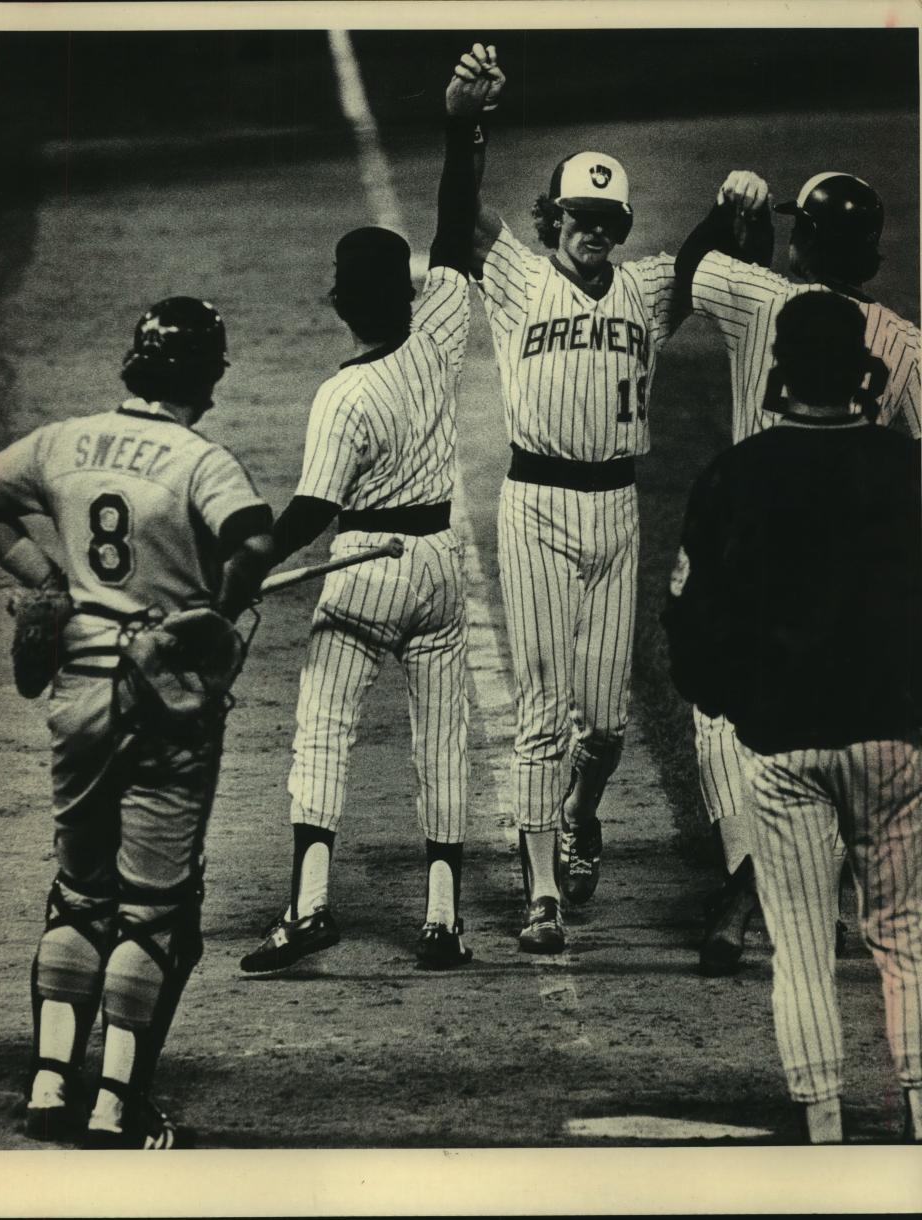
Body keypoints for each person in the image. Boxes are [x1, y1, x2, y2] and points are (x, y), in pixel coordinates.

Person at [0, 297, 274, 1149]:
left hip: (78, 694)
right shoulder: (200, 461)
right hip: (163, 701)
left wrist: (45, 580)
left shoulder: (62, 442)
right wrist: (217, 609)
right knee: (155, 913)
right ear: (205, 376)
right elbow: (255, 539)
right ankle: (116, 1107)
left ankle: (49, 1087)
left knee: (81, 892)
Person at [238, 47, 497, 978]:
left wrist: (241, 570)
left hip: (364, 573)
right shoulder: (438, 328)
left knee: (324, 726)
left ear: (343, 301)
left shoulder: (341, 397)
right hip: (438, 570)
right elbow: (455, 229)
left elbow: (308, 512)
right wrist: (463, 127)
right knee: (442, 737)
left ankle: (308, 910)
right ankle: (441, 921)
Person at [662, 290, 922, 1144]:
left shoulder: (736, 473)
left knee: (803, 949)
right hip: (896, 745)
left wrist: (735, 707)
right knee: (906, 941)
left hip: (781, 752)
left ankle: (822, 1130)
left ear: (779, 373)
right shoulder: (908, 467)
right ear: (862, 375)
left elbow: (691, 623)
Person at [461, 46, 686, 952]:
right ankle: (543, 893)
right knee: (543, 711)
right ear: (552, 217)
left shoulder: (648, 288)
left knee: (610, 724)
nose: (592, 231)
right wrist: (464, 126)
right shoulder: (517, 278)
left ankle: (582, 817)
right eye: (578, 217)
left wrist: (733, 213)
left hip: (617, 511)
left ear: (622, 225)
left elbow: (712, 258)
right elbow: (457, 217)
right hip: (537, 508)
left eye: (607, 219)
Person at [675, 169, 921, 975]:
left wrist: (727, 213)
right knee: (849, 721)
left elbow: (691, 267)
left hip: (756, 552)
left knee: (721, 719)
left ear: (804, 240)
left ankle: (748, 886)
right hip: (853, 579)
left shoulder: (761, 299)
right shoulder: (907, 345)